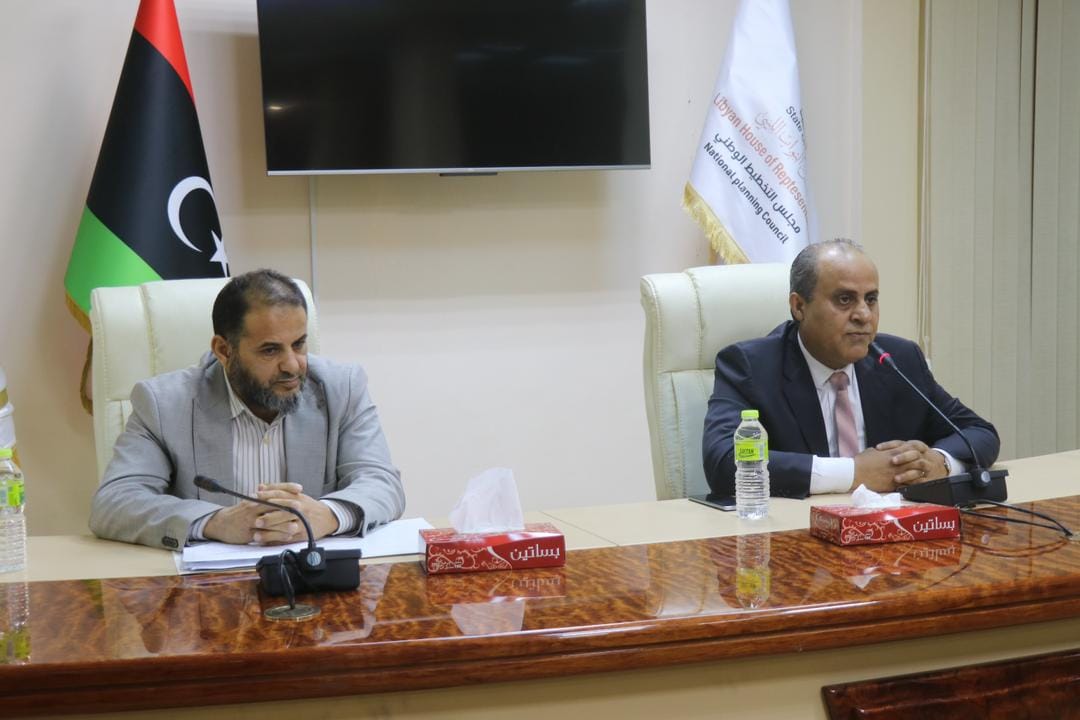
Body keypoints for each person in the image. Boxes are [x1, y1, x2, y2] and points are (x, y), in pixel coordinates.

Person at [90, 269, 405, 550]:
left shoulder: (342, 388)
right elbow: (115, 503)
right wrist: (215, 522)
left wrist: (328, 515)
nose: (292, 365)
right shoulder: (164, 404)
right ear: (223, 350)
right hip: (209, 590)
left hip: (314, 583)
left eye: (299, 344)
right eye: (270, 350)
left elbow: (381, 482)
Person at [702, 239, 999, 499]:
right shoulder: (751, 367)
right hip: (796, 534)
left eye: (871, 299)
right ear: (799, 306)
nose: (863, 315)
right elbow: (724, 462)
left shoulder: (899, 359)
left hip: (892, 534)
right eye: (844, 300)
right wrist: (853, 472)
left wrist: (939, 462)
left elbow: (979, 432)